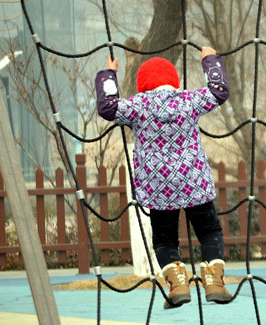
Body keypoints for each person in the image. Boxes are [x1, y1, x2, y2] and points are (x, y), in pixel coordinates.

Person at [95, 47, 231, 309]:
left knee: (165, 239)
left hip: (159, 188)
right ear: (174, 80)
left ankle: (178, 284)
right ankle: (214, 282)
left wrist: (108, 75)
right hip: (193, 181)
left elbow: (107, 108)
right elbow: (219, 91)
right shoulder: (189, 100)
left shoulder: (138, 106)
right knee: (209, 231)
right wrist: (209, 61)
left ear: (142, 84)